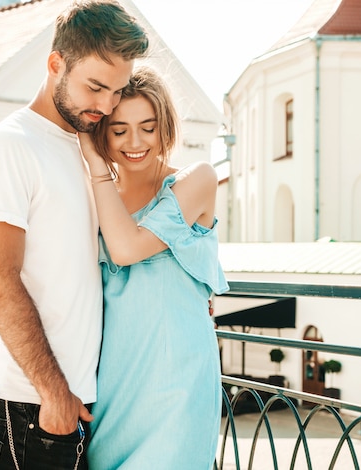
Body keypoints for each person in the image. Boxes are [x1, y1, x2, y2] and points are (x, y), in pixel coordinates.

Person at [0, 1, 148, 468]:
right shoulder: (11, 145)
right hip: (33, 407)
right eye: (95, 87)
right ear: (55, 64)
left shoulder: (87, 146)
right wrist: (54, 395)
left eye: (117, 91)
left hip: (78, 404)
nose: (106, 105)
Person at [78, 66, 229, 469]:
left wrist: (93, 162)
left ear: (165, 127)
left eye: (148, 127)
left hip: (176, 380)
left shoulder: (196, 179)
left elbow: (127, 249)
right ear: (103, 133)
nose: (135, 142)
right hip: (111, 382)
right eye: (119, 129)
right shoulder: (95, 197)